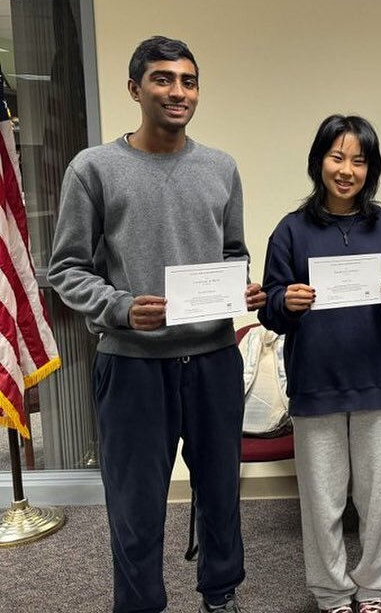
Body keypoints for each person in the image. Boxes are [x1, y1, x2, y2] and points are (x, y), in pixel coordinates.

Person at [48, 36, 265, 613]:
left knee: (220, 493)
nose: (178, 92)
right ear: (135, 88)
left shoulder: (221, 167)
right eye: (163, 79)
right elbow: (65, 269)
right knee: (136, 503)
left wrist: (239, 285)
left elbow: (233, 252)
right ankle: (141, 604)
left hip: (215, 359)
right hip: (133, 364)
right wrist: (120, 307)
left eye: (188, 81)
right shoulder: (93, 168)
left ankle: (220, 594)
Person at [258, 115, 381, 613]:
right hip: (315, 383)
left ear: (371, 168)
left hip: (376, 381)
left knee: (379, 499)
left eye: (359, 161)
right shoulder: (291, 230)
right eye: (337, 157)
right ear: (319, 161)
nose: (347, 170)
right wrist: (286, 300)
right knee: (323, 501)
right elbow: (269, 311)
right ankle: (332, 593)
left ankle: (373, 590)